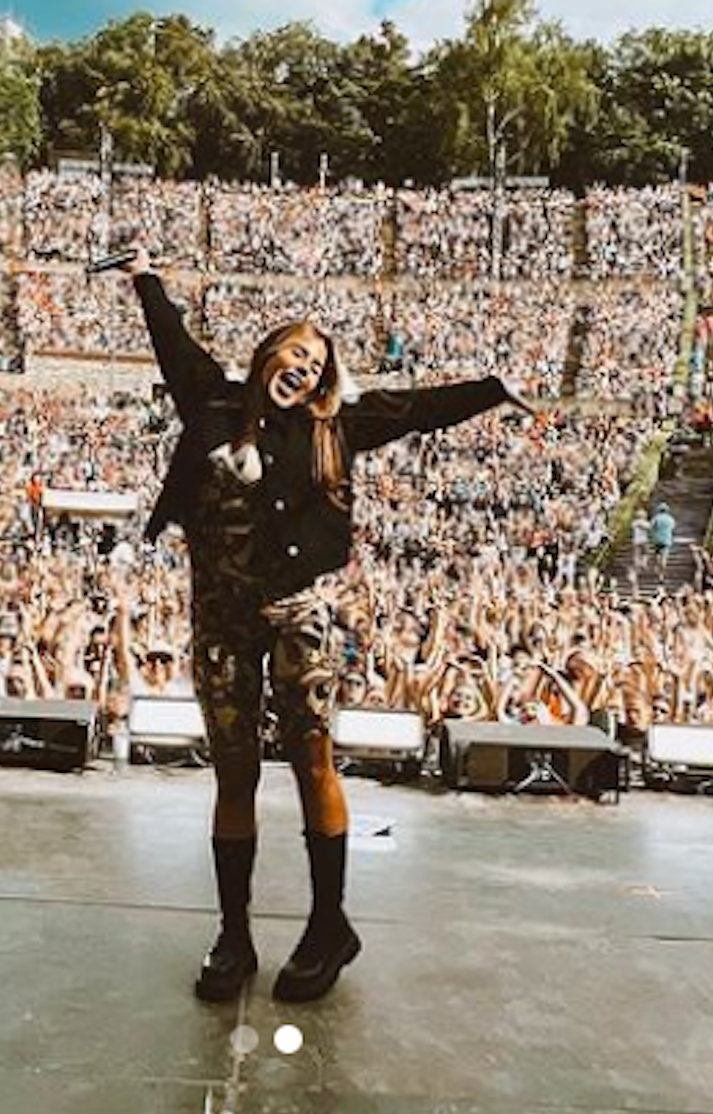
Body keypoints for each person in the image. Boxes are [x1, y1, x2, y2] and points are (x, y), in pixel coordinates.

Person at [122, 247, 531, 1005]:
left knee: (313, 763)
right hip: (219, 617)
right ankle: (234, 934)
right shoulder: (210, 402)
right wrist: (146, 277)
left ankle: (328, 923)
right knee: (234, 772)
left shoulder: (334, 427)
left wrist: (493, 390)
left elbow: (416, 408)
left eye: (317, 364)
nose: (304, 370)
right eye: (295, 354)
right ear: (268, 353)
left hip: (297, 616)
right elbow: (169, 336)